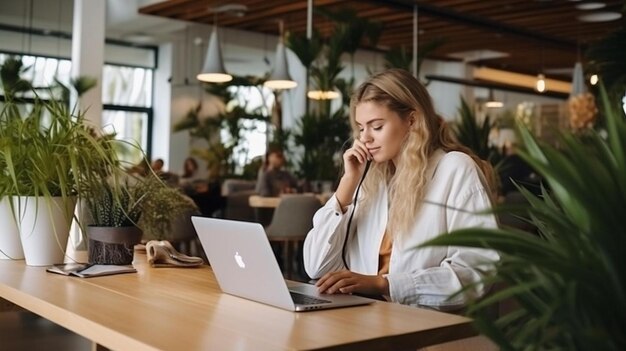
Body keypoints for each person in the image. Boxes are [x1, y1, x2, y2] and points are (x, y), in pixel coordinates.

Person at [303, 69, 499, 310]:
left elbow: (476, 272)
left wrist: (383, 285)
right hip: (363, 317)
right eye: (361, 128)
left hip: (420, 326)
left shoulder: (455, 169)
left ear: (412, 121)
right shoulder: (369, 179)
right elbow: (316, 266)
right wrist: (347, 184)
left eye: (376, 126)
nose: (365, 139)